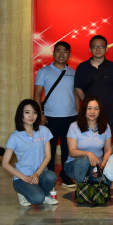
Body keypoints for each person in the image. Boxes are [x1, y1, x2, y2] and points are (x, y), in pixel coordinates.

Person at [33, 40, 78, 187]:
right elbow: (37, 94)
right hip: (50, 117)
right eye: (58, 51)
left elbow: (76, 95)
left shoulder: (73, 73)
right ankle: (49, 177)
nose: (61, 54)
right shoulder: (43, 72)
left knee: (67, 149)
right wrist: (40, 114)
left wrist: (78, 115)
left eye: (65, 51)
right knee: (49, 149)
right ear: (53, 53)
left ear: (69, 55)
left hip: (70, 117)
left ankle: (66, 177)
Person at [2, 99, 58, 206]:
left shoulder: (44, 131)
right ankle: (23, 193)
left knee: (51, 176)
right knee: (38, 199)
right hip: (22, 178)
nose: (31, 116)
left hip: (40, 174)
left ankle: (46, 194)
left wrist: (37, 174)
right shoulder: (15, 136)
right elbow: (5, 163)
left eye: (34, 112)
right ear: (21, 115)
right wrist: (24, 177)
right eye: (27, 112)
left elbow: (48, 156)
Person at [74, 35, 113, 134]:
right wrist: (88, 101)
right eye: (95, 46)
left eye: (101, 46)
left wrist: (109, 96)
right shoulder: (82, 67)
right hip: (89, 113)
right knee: (88, 140)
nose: (98, 49)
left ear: (106, 49)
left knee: (107, 140)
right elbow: (77, 88)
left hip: (108, 112)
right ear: (90, 49)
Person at [64, 96, 113, 187]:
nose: (92, 112)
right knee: (84, 160)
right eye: (89, 108)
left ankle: (91, 184)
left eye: (96, 109)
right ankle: (81, 189)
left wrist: (102, 165)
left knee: (106, 184)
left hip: (96, 166)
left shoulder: (106, 126)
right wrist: (88, 154)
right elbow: (72, 152)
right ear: (84, 110)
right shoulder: (74, 126)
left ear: (100, 111)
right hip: (75, 165)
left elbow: (108, 149)